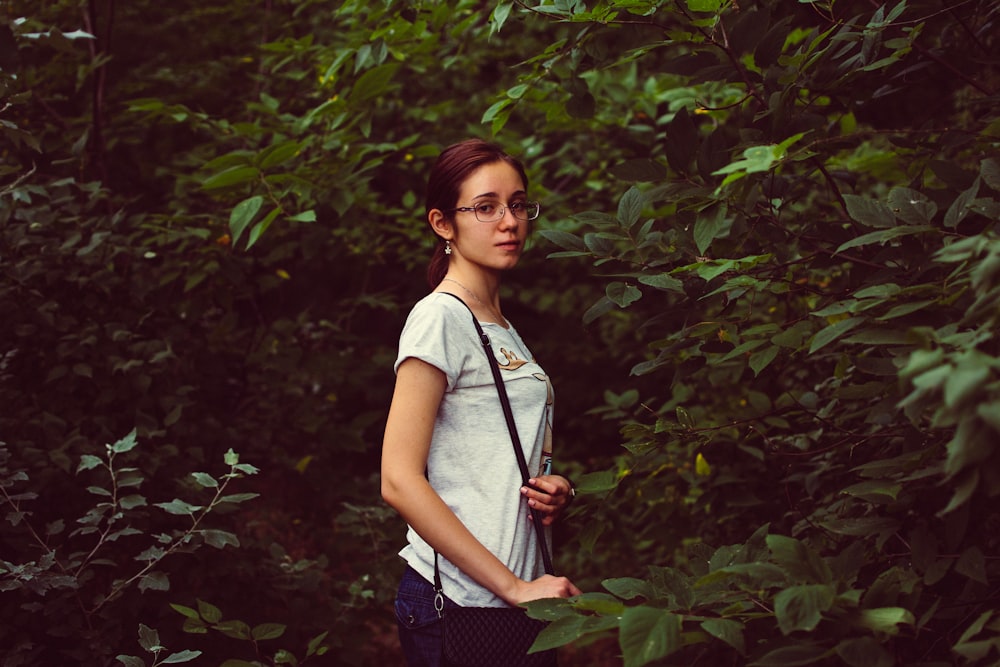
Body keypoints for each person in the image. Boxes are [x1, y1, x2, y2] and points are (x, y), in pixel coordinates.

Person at [380, 138, 582, 666]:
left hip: (517, 593)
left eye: (518, 204)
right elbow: (399, 479)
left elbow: (487, 455)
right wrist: (513, 587)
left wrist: (550, 487)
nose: (509, 221)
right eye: (486, 207)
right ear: (443, 223)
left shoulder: (500, 325)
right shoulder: (440, 317)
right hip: (463, 602)